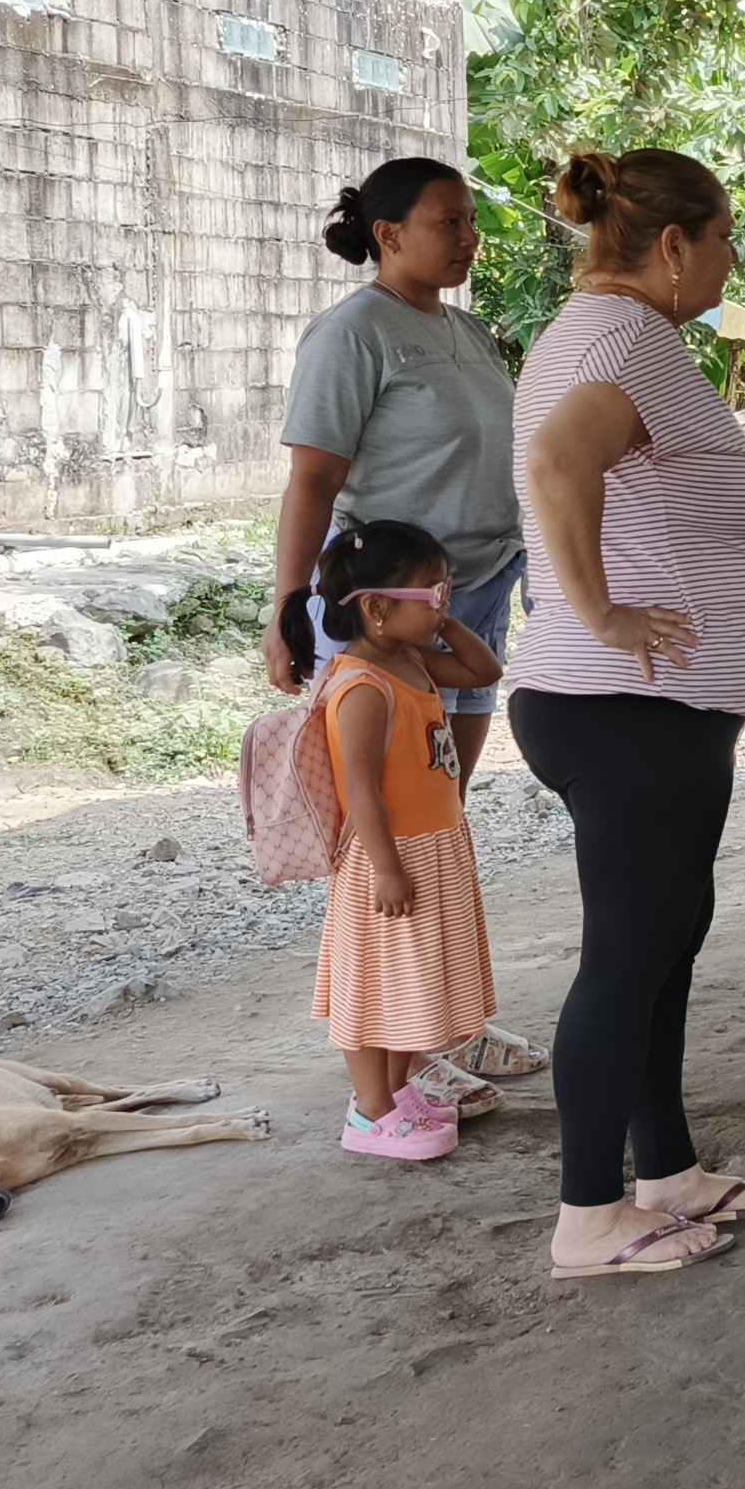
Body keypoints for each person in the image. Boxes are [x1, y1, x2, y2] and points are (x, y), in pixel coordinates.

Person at [508, 150, 745, 1278]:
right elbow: (556, 460)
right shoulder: (624, 340)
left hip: (648, 706)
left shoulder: (611, 335)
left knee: (666, 936)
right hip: (625, 703)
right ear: (673, 244)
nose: (732, 258)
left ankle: (665, 1171)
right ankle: (587, 1217)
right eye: (723, 237)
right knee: (626, 958)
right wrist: (601, 611)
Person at [271, 157, 543, 1093]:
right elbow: (313, 479)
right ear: (388, 236)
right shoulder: (352, 335)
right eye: (447, 222)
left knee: (438, 812)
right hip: (389, 612)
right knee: (382, 832)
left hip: (470, 594)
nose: (469, 239)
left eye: (471, 221)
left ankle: (442, 1025)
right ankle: (397, 1056)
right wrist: (286, 609)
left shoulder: (466, 332)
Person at [282, 520, 502, 1166]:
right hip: (389, 858)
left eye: (447, 592)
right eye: (432, 594)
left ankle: (398, 1094)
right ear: (377, 608)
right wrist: (386, 867)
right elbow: (361, 791)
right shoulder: (361, 687)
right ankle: (369, 1111)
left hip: (432, 851)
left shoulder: (411, 660)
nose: (443, 604)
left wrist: (442, 619)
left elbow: (484, 669)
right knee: (372, 987)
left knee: (413, 984)